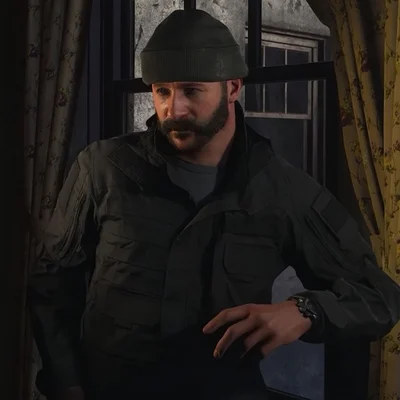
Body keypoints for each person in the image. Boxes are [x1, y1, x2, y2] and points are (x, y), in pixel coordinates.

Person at [28, 9, 400, 400]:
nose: (174, 110)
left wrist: (305, 310)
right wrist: (67, 383)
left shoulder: (282, 190)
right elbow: (52, 281)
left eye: (192, 91)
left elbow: (380, 297)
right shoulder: (102, 168)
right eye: (162, 92)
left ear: (233, 88)